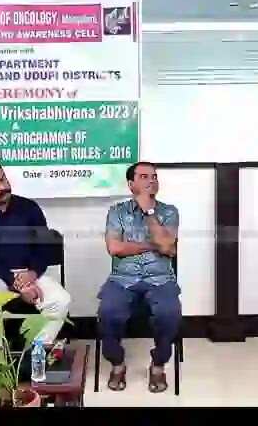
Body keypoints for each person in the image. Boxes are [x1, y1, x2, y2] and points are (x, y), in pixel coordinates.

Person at [0, 161, 70, 344]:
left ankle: (37, 350)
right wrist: (16, 283)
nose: (2, 187)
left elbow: (44, 247)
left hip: (30, 273)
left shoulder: (29, 208)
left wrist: (33, 273)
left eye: (2, 179)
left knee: (61, 300)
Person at [97, 161, 180, 393]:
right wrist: (152, 246)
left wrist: (149, 212)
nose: (151, 180)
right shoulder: (117, 212)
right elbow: (114, 248)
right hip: (122, 279)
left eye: (154, 176)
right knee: (107, 312)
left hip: (160, 278)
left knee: (169, 313)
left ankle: (158, 365)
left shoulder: (169, 212)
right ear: (130, 184)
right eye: (144, 176)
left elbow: (167, 245)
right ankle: (117, 363)